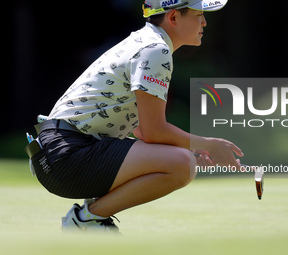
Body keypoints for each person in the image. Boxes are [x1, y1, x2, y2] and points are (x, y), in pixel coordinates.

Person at [25, 0, 244, 232]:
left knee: (182, 161)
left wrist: (192, 150)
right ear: (173, 18)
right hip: (66, 156)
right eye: (198, 14)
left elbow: (142, 131)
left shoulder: (147, 43)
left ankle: (89, 219)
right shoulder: (155, 50)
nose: (205, 22)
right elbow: (154, 132)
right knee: (182, 163)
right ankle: (86, 220)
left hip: (58, 154)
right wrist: (208, 144)